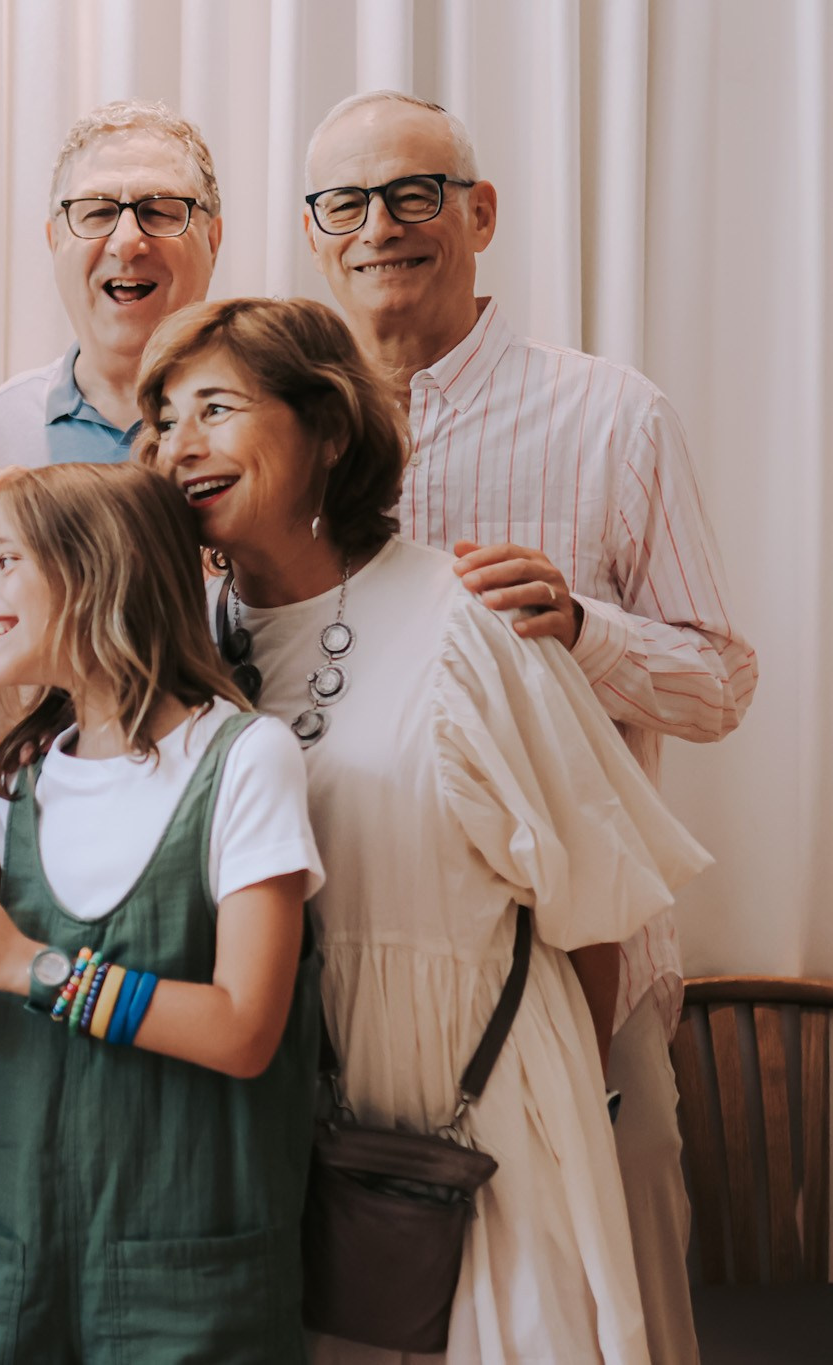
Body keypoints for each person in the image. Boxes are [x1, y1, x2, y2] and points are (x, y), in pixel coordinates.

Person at [142, 296, 711, 1362]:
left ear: (328, 430)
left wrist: (564, 1120)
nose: (179, 446)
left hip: (482, 1126)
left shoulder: (467, 621)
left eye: (213, 408)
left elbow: (589, 908)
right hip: (283, 1149)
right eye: (162, 420)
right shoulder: (181, 654)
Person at [304, 90, 756, 1365]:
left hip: (580, 958)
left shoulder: (608, 415)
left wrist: (580, 628)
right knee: (373, 1304)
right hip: (355, 959)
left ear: (478, 214)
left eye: (413, 195)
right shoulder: (296, 428)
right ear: (312, 232)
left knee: (613, 1285)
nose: (380, 227)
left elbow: (722, 685)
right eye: (347, 202)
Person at [0, 462, 325, 1361]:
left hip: (186, 1290)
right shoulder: (23, 782)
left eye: (3, 563)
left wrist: (19, 963)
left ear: (98, 568)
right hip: (7, 1271)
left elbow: (243, 1029)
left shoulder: (246, 759)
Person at [0, 99, 222, 471]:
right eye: (97, 212)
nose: (126, 243)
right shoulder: (5, 426)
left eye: (159, 211)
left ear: (212, 241)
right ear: (54, 242)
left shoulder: (272, 412)